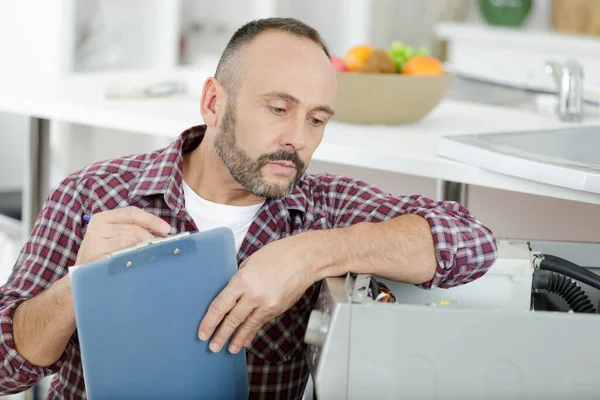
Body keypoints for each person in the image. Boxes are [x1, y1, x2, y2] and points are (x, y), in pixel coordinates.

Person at [0, 17, 497, 400]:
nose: (297, 140)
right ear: (214, 102)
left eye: (317, 119)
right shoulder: (95, 195)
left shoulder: (322, 209)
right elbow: (5, 367)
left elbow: (473, 241)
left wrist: (308, 255)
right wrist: (76, 287)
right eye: (279, 109)